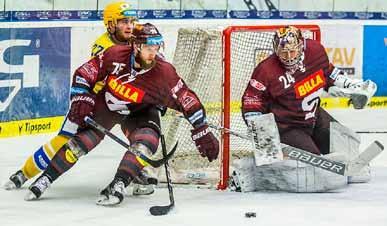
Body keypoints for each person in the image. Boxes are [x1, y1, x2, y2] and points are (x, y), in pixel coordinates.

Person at [24, 23, 219, 206]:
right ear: (135, 46)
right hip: (108, 106)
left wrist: (201, 128)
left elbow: (186, 98)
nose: (153, 52)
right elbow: (84, 73)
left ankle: (119, 183)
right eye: (148, 48)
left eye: (156, 47)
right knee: (79, 145)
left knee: (146, 142)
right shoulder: (115, 54)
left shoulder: (164, 72)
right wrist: (81, 97)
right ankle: (45, 178)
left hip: (140, 112)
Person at [3, 1, 156, 196]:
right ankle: (24, 173)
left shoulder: (136, 37)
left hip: (126, 101)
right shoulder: (103, 46)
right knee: (63, 140)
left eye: (132, 21)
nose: (129, 25)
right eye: (123, 21)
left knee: (142, 135)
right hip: (97, 102)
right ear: (110, 24)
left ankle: (137, 172)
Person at [241, 25, 377, 156]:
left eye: (292, 51)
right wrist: (260, 130)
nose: (289, 57)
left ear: (301, 47)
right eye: (283, 53)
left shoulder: (315, 50)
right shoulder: (266, 70)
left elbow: (327, 72)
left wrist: (347, 85)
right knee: (312, 163)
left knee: (345, 145)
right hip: (287, 126)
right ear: (276, 50)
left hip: (315, 117)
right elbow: (251, 100)